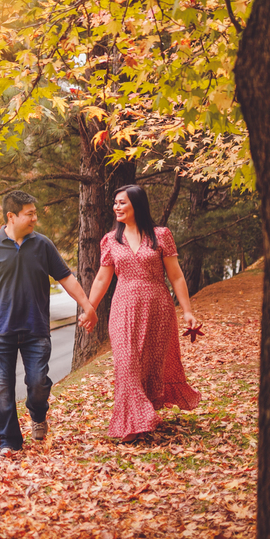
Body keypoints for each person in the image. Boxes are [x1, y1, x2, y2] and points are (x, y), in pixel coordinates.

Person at [0, 190, 97, 455]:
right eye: (30, 214)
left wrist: (88, 306)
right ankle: (9, 442)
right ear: (11, 216)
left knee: (37, 384)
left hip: (36, 330)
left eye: (35, 213)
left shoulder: (42, 245)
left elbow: (67, 278)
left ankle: (38, 414)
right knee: (2, 391)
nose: (35, 218)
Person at [84, 184, 202, 440]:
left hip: (158, 307)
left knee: (149, 365)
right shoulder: (110, 240)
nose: (116, 207)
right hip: (123, 307)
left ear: (137, 205)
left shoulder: (161, 235)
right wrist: (89, 308)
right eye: (115, 203)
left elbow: (176, 276)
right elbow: (102, 280)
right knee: (126, 364)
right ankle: (131, 423)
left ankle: (142, 416)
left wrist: (187, 311)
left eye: (122, 202)